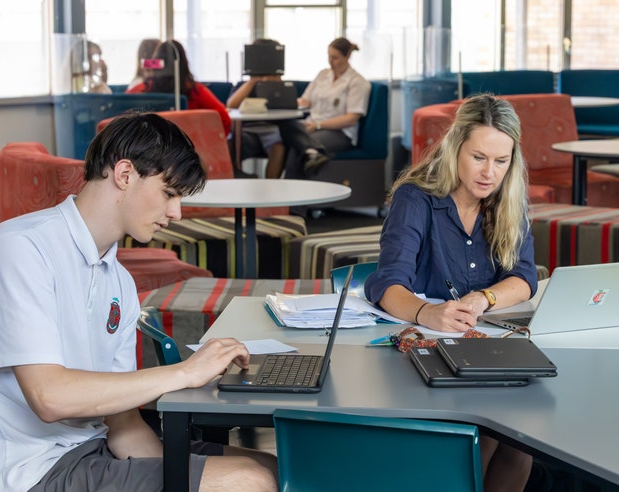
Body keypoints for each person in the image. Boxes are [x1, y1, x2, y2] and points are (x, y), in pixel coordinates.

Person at [0, 112, 278, 492]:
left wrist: (181, 472)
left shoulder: (118, 280)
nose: (176, 213)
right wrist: (186, 372)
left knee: (269, 466)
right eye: (169, 194)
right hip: (31, 473)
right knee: (246, 482)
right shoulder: (20, 249)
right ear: (124, 175)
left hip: (95, 450)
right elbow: (49, 397)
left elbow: (122, 428)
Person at [364, 94, 538, 492]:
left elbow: (524, 277)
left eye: (501, 161)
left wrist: (484, 299)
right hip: (423, 349)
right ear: (455, 146)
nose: (489, 173)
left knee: (520, 440)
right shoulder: (416, 198)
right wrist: (427, 313)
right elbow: (387, 282)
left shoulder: (508, 200)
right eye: (479, 157)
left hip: (484, 346)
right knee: (492, 425)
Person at [281, 37, 371, 178]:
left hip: (339, 132)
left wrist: (317, 125)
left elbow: (351, 119)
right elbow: (306, 100)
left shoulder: (358, 82)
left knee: (296, 148)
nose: (330, 61)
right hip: (311, 125)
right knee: (285, 128)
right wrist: (285, 102)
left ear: (347, 57)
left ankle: (289, 192)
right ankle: (312, 153)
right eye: (329, 56)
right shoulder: (323, 74)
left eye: (335, 57)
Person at [126, 40, 232, 136]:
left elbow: (120, 115)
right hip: (188, 152)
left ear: (156, 64)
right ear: (184, 64)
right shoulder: (195, 91)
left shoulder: (139, 91)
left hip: (144, 151)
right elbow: (225, 120)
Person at [226, 38, 287, 179]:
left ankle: (271, 190)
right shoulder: (243, 84)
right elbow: (231, 104)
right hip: (246, 131)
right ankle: (235, 175)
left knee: (279, 148)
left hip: (272, 131)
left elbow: (285, 104)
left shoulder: (279, 84)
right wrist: (253, 80)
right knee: (229, 141)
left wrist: (273, 83)